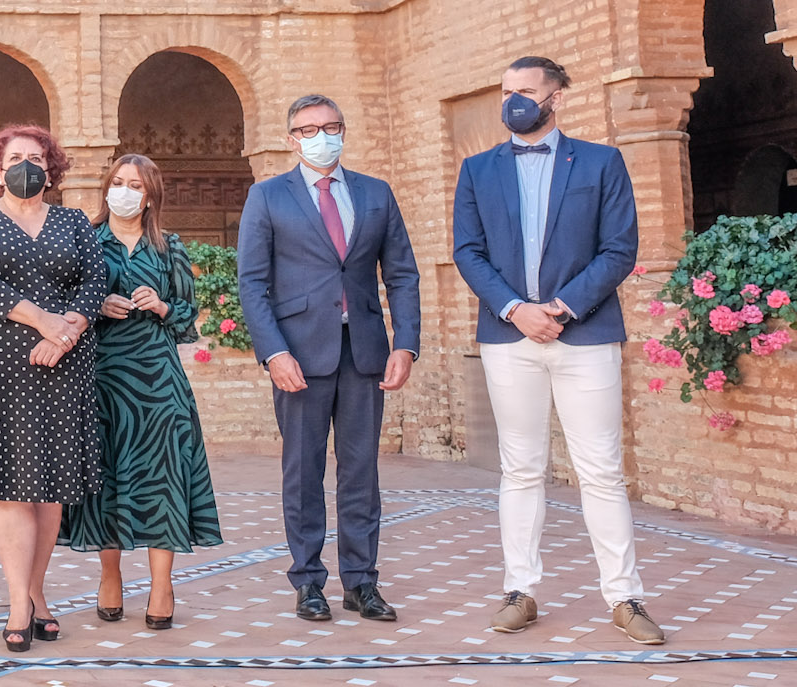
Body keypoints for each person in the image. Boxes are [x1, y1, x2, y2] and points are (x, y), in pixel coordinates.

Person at [453, 56, 664, 645]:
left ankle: (624, 596)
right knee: (520, 468)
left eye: (525, 91)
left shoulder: (601, 162)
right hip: (507, 337)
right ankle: (520, 590)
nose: (513, 101)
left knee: (600, 471)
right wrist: (515, 309)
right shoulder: (477, 169)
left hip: (586, 334)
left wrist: (562, 308)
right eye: (506, 92)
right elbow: (468, 252)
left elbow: (619, 249)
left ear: (556, 98)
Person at [237, 94, 420, 625]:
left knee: (361, 473)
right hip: (298, 354)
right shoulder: (267, 197)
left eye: (331, 126)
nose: (322, 135)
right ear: (292, 138)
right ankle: (308, 582)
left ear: (344, 130)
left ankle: (362, 584)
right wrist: (273, 352)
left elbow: (402, 273)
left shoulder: (376, 194)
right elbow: (252, 284)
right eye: (309, 128)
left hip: (364, 350)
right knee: (303, 472)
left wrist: (405, 343)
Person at [0, 123, 106, 655]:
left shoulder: (73, 222)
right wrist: (43, 321)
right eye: (15, 157)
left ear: (51, 168)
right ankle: (19, 601)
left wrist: (67, 333)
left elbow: (94, 281)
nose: (26, 165)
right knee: (11, 484)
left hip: (63, 362)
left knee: (51, 487)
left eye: (36, 157)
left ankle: (37, 591)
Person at [60, 154, 219, 630]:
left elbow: (190, 318)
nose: (125, 191)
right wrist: (94, 303)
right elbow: (61, 304)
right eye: (118, 182)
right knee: (106, 477)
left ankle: (161, 585)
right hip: (102, 378)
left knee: (162, 477)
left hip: (159, 381)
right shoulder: (85, 240)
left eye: (135, 185)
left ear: (150, 196)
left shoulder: (169, 247)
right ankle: (110, 576)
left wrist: (165, 306)